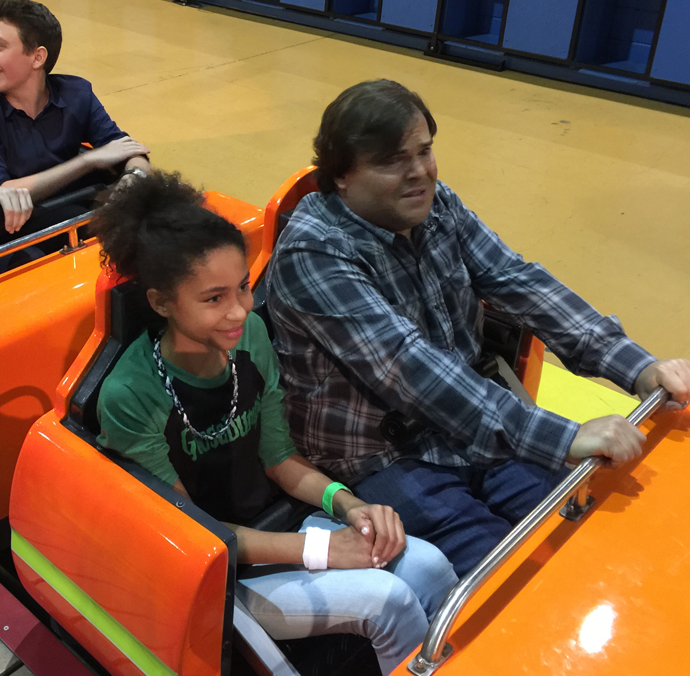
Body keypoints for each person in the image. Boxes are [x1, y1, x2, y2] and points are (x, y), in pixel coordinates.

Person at [264, 79, 690, 578]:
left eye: (424, 152)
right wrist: (561, 436)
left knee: (589, 536)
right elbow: (412, 369)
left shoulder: (438, 207)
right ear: (339, 176)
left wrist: (635, 366)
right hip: (384, 457)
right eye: (392, 161)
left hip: (470, 425)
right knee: (513, 581)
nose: (419, 173)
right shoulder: (314, 254)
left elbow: (520, 282)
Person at [92, 170, 458, 675]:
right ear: (160, 302)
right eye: (213, 298)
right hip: (214, 570)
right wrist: (323, 549)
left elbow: (280, 458)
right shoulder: (131, 393)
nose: (240, 310)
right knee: (388, 601)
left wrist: (352, 507)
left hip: (276, 528)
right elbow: (193, 534)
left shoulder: (250, 337)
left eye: (243, 288)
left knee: (432, 565)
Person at [0, 0, 150, 248]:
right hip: (19, 228)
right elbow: (7, 190)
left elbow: (130, 151)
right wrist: (87, 161)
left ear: (37, 57)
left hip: (75, 210)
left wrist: (133, 177)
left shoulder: (76, 94)